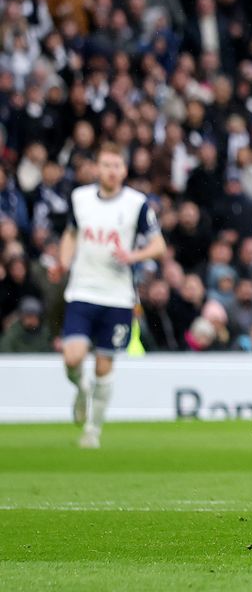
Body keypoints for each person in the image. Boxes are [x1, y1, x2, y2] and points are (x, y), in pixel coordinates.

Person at [48, 143, 167, 448]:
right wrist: (63, 262)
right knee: (72, 357)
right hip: (82, 291)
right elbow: (71, 234)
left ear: (124, 170)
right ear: (96, 169)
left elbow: (158, 246)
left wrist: (133, 255)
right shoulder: (80, 198)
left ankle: (93, 431)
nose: (111, 171)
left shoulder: (136, 204)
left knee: (104, 365)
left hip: (117, 297)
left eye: (117, 166)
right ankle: (81, 388)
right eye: (106, 165)